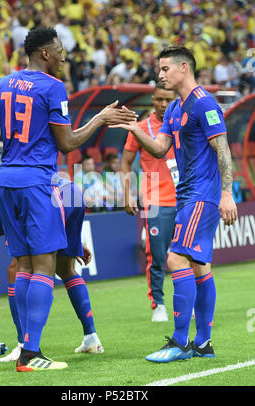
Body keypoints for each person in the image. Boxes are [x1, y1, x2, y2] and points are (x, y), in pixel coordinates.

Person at [0, 27, 137, 372]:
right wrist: (100, 118)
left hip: (7, 182)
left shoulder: (2, 84)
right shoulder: (53, 87)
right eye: (61, 51)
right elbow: (67, 143)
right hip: (37, 184)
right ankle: (31, 355)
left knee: (24, 267)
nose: (65, 56)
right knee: (46, 268)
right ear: (45, 53)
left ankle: (26, 348)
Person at [111, 46, 237, 363]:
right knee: (199, 266)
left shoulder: (203, 102)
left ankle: (180, 343)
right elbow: (159, 148)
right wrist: (136, 129)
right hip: (187, 196)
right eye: (159, 69)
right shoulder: (172, 109)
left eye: (165, 68)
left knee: (174, 260)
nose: (160, 74)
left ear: (184, 67)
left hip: (203, 195)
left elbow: (223, 149)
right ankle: (203, 344)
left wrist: (226, 193)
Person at [0, 180, 104, 362]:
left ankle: (22, 346)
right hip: (71, 192)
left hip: (49, 199)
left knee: (15, 270)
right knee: (66, 270)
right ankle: (91, 338)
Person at [121, 82, 177, 322]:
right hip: (155, 201)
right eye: (159, 99)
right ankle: (159, 304)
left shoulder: (182, 124)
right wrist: (127, 194)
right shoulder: (141, 128)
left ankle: (188, 302)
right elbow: (125, 162)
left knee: (188, 255)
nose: (163, 104)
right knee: (157, 256)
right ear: (152, 100)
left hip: (184, 200)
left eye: (168, 100)